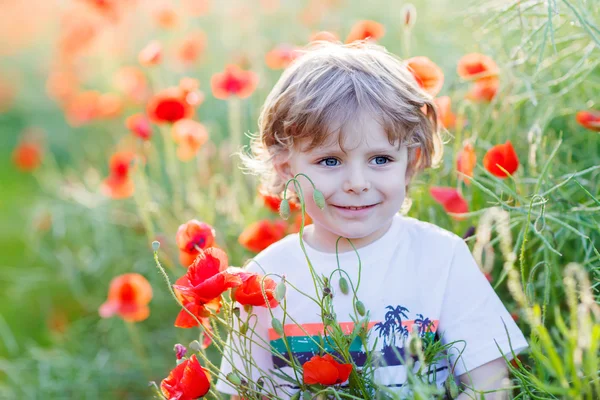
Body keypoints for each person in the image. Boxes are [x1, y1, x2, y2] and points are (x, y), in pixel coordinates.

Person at [216, 40, 528, 399]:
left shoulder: (442, 258)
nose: (357, 184)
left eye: (380, 159)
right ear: (286, 167)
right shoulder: (264, 279)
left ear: (410, 162)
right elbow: (250, 392)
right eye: (330, 161)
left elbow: (489, 386)